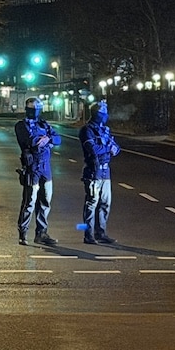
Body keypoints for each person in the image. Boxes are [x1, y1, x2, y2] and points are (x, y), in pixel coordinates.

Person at [15, 96, 61, 246]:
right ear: (27, 109)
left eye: (37, 109)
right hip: (32, 168)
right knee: (29, 202)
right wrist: (44, 140)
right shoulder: (21, 125)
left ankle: (41, 233)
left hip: (45, 169)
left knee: (45, 201)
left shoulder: (44, 124)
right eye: (32, 109)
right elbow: (30, 141)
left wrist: (47, 139)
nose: (35, 112)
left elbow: (57, 138)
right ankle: (23, 232)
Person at [79, 99, 121, 244]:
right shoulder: (87, 130)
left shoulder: (105, 130)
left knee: (105, 203)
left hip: (105, 172)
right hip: (93, 171)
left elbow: (116, 148)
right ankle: (88, 234)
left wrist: (111, 148)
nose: (106, 116)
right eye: (103, 113)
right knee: (91, 203)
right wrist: (108, 148)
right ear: (97, 114)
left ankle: (100, 232)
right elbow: (92, 149)